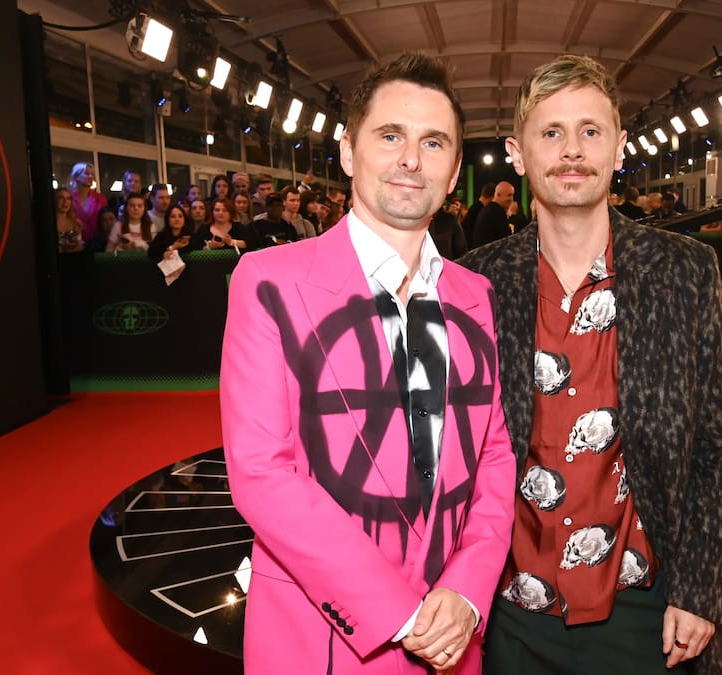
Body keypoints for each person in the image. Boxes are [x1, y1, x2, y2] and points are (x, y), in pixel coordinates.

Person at [221, 52, 516, 674]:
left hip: (454, 642)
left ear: (454, 171)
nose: (411, 159)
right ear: (349, 152)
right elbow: (261, 472)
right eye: (390, 136)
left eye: (433, 142)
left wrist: (467, 590)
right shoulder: (268, 281)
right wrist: (400, 613)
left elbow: (493, 455)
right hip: (320, 640)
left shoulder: (477, 294)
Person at [460, 54, 722, 675]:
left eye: (590, 131)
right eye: (551, 132)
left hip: (646, 609)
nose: (572, 150)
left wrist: (699, 589)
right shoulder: (473, 281)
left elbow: (716, 444)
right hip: (507, 612)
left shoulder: (684, 270)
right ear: (517, 153)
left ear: (618, 148)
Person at [191, 197, 258, 254]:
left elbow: (250, 244)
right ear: (212, 212)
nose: (220, 213)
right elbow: (195, 250)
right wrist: (210, 246)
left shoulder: (238, 227)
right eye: (217, 210)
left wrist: (231, 242)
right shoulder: (203, 229)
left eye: (224, 210)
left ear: (230, 212)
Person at [69, 162, 108, 243]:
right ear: (76, 176)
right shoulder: (68, 198)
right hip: (74, 242)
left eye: (92, 174)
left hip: (97, 243)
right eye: (87, 174)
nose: (90, 176)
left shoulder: (100, 198)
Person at [472, 181, 515, 247]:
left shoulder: (489, 209)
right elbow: (507, 239)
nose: (511, 199)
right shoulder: (497, 213)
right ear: (498, 194)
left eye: (512, 195)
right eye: (509, 195)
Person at [54, 187, 85, 254]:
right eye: (61, 198)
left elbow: (80, 246)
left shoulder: (75, 222)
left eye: (68, 198)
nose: (65, 202)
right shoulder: (49, 223)